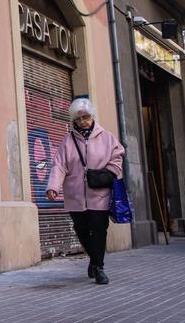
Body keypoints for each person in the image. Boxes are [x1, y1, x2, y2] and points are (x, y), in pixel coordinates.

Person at [45, 97, 125, 285]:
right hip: (75, 195)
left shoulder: (107, 137)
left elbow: (117, 157)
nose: (82, 122)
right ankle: (94, 258)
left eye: (85, 117)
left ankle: (99, 267)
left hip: (99, 193)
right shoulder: (68, 141)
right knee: (81, 229)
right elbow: (59, 165)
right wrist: (53, 187)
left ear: (92, 117)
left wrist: (110, 172)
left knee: (99, 230)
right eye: (78, 119)